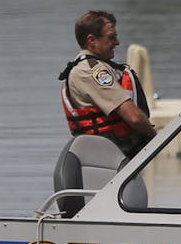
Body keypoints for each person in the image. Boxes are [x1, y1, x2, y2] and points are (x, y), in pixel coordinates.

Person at [58, 10, 157, 158]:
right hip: (107, 159)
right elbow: (134, 117)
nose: (117, 42)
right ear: (92, 40)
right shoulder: (91, 71)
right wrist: (156, 138)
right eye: (111, 37)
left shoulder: (94, 66)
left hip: (112, 156)